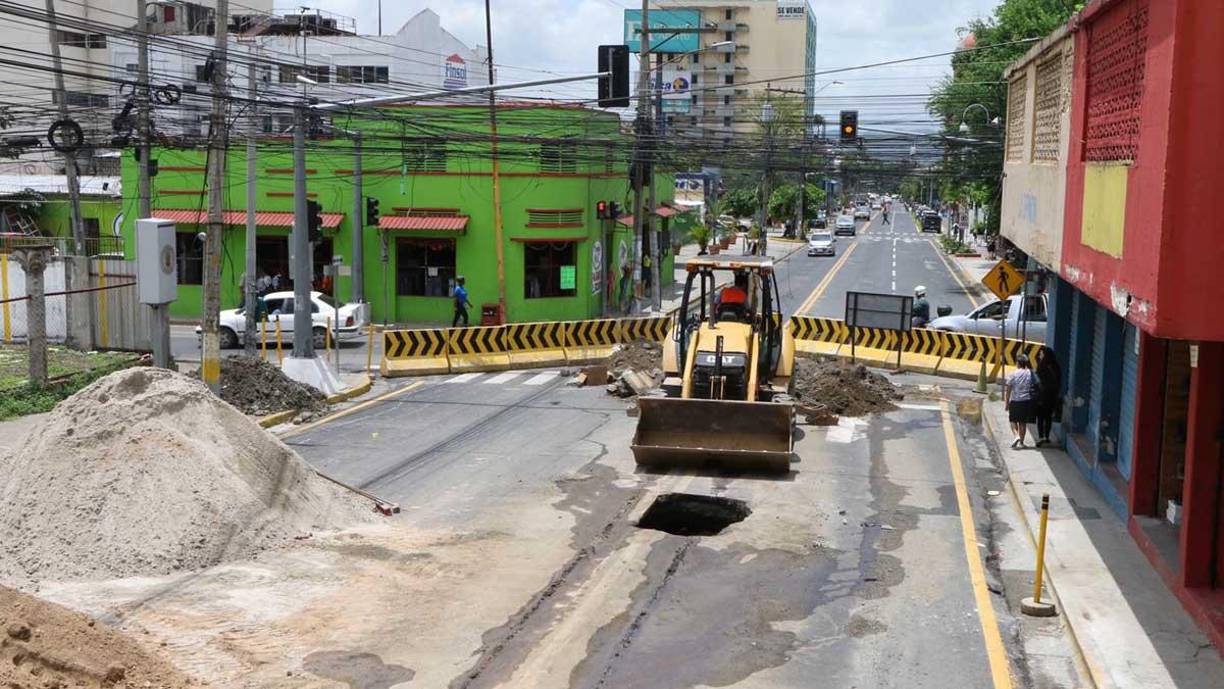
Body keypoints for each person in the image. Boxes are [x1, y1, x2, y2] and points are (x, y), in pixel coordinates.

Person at [1004, 353, 1038, 448]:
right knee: (1023, 422)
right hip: (1026, 400)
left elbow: (1008, 389)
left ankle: (1016, 435)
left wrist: (1007, 402)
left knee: (1013, 420)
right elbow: (1037, 383)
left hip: (1016, 400)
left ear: (1018, 363)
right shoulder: (1030, 373)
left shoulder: (1013, 374)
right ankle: (1022, 443)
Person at [1034, 346, 1062, 446]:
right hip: (1052, 396)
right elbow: (1059, 381)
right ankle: (1047, 436)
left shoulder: (1041, 366)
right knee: (1048, 416)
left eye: (1041, 354)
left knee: (1040, 417)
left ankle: (1040, 437)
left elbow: (1038, 381)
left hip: (1042, 395)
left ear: (1045, 355)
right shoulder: (1056, 366)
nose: (1039, 355)